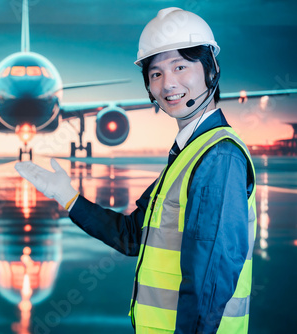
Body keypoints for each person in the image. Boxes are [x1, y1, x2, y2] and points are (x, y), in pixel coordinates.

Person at [15, 7, 256, 334]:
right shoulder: (189, 154)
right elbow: (133, 237)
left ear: (211, 70)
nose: (168, 83)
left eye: (180, 66)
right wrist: (68, 197)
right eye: (156, 74)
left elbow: (210, 283)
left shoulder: (219, 158)